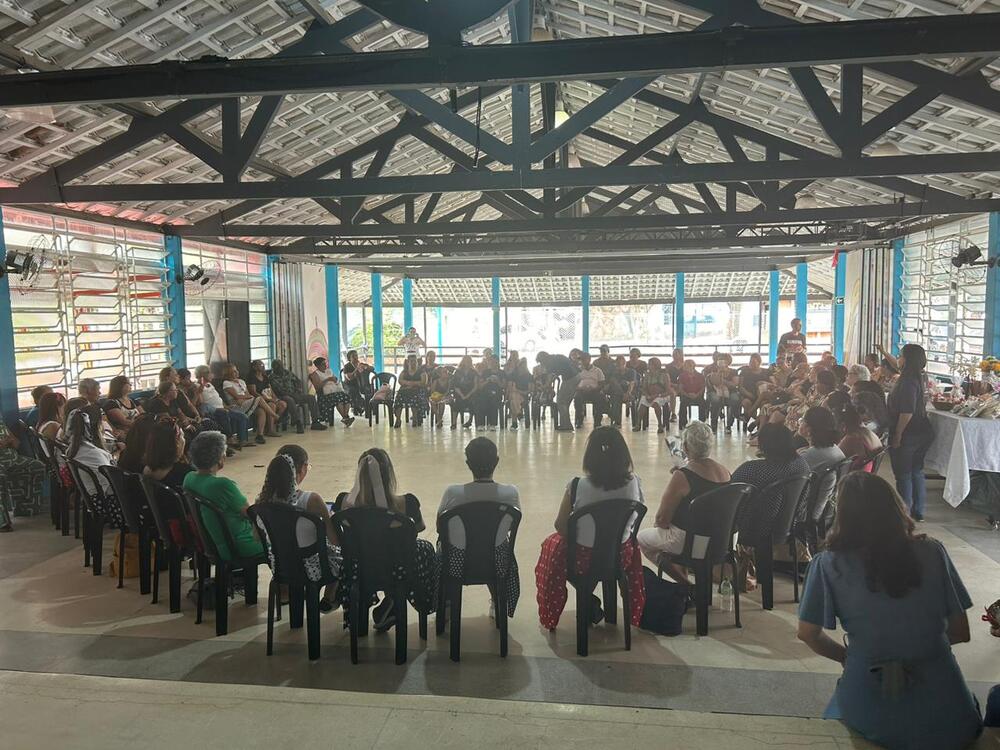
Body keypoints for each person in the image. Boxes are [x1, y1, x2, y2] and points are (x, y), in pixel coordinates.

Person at [797, 472, 981, 750]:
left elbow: (808, 633)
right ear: (895, 507)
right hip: (947, 709)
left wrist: (850, 657)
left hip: (870, 692)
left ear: (842, 516)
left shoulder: (828, 565)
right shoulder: (933, 552)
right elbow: (960, 631)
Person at [536, 426, 645, 629]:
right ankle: (595, 604)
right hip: (620, 556)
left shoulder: (577, 486)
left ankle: (581, 601)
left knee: (553, 544)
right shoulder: (635, 483)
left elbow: (560, 525)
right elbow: (636, 515)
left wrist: (581, 535)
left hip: (583, 559)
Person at [341, 448, 438, 628]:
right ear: (388, 475)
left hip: (359, 567)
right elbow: (418, 529)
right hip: (398, 567)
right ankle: (412, 600)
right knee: (424, 548)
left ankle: (378, 608)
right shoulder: (407, 503)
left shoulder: (344, 502)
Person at [637, 421, 731, 582]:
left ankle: (684, 584)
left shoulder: (683, 476)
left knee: (642, 538)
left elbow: (662, 519)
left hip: (691, 542)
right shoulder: (725, 472)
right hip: (720, 540)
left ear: (686, 447)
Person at [437, 437, 521, 616]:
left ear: (468, 464)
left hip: (457, 564)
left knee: (442, 543)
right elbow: (510, 527)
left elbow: (440, 527)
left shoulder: (453, 493)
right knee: (498, 542)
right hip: (496, 563)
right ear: (496, 462)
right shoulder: (510, 494)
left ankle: (447, 603)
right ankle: (498, 601)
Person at [256, 445, 340, 611]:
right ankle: (330, 597)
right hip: (312, 570)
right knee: (340, 555)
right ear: (302, 468)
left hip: (281, 567)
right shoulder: (311, 500)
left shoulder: (262, 503)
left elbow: (257, 537)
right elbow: (334, 539)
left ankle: (286, 592)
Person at [183, 431, 264, 561]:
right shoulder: (222, 485)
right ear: (220, 458)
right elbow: (250, 514)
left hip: (211, 544)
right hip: (238, 545)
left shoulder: (189, 478)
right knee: (280, 540)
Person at [731, 424, 810, 544]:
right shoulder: (802, 464)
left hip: (755, 529)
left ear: (763, 445)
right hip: (789, 525)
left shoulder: (752, 469)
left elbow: (730, 490)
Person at [888, 343, 934, 522]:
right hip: (922, 430)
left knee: (904, 474)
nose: (898, 359)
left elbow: (907, 411)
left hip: (909, 433)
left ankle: (904, 512)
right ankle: (918, 510)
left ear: (907, 360)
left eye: (900, 356)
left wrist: (898, 434)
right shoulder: (920, 376)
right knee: (916, 471)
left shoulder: (908, 381)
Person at [0, 415, 46, 530]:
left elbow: (16, 443)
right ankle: (2, 522)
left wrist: (10, 441)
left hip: (13, 459)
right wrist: (3, 443)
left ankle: (26, 508)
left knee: (37, 466)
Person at [194, 365, 251, 450]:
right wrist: (200, 390)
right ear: (203, 374)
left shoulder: (210, 384)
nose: (212, 375)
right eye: (210, 373)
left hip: (223, 408)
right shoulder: (197, 386)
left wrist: (226, 406)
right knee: (225, 415)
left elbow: (218, 398)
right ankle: (230, 439)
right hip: (214, 411)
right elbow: (201, 403)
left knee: (242, 417)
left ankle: (242, 440)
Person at [64, 404, 114, 496]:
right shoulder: (93, 454)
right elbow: (110, 487)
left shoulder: (75, 448)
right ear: (97, 426)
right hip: (105, 500)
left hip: (91, 497)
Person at [223, 363, 278, 444]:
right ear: (229, 373)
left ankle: (259, 435)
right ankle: (274, 415)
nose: (237, 372)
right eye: (234, 371)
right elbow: (237, 396)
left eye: (236, 370)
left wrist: (245, 397)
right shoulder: (226, 383)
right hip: (236, 405)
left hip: (246, 402)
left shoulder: (241, 381)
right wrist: (245, 397)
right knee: (259, 398)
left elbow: (248, 394)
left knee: (261, 411)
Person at [143, 418, 194, 489]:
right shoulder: (185, 473)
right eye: (182, 436)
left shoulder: (146, 469)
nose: (184, 439)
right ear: (176, 443)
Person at [536, 351, 580, 432]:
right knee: (565, 403)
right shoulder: (557, 357)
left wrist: (545, 387)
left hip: (570, 379)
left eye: (541, 362)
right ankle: (566, 424)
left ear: (543, 359)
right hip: (577, 376)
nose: (541, 364)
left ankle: (566, 426)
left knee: (561, 402)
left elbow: (550, 378)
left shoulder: (550, 363)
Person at [308, 357, 354, 428]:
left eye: (325, 364)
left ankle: (345, 417)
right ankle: (345, 418)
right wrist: (328, 379)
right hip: (325, 394)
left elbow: (335, 380)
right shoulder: (315, 374)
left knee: (346, 397)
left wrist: (334, 379)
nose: (325, 366)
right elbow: (318, 387)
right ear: (318, 366)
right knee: (338, 399)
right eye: (323, 364)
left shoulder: (329, 371)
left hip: (334, 390)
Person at [837, 403, 883, 472]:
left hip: (857, 475)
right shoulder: (867, 431)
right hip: (867, 472)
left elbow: (836, 457)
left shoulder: (852, 438)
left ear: (843, 424)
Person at [798, 406, 846, 470]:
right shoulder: (834, 447)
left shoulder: (809, 455)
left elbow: (787, 473)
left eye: (802, 420)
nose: (799, 423)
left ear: (809, 429)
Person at [246, 360, 288, 428]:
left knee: (283, 404)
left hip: (268, 397)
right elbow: (253, 392)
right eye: (261, 365)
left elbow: (270, 389)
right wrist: (268, 399)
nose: (263, 366)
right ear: (254, 367)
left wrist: (275, 398)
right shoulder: (251, 378)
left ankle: (273, 422)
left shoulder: (265, 377)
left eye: (263, 365)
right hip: (260, 400)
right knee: (272, 405)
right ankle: (271, 428)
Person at [705, 353, 740, 433]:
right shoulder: (712, 370)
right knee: (715, 399)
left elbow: (734, 385)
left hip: (730, 391)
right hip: (714, 391)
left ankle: (729, 425)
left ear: (728, 362)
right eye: (719, 360)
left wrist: (723, 380)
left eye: (724, 360)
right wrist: (718, 374)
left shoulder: (733, 371)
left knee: (734, 399)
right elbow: (711, 383)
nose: (721, 362)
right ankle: (714, 425)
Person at [637, 356, 671, 433]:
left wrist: (657, 395)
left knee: (656, 403)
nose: (648, 366)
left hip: (662, 395)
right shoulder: (647, 375)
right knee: (642, 402)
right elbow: (644, 388)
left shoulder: (664, 375)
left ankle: (660, 424)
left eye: (650, 364)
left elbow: (668, 391)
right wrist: (647, 395)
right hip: (650, 394)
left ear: (655, 365)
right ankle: (638, 423)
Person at [573, 352, 606, 428]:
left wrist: (594, 388)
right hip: (582, 391)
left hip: (594, 391)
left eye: (584, 359)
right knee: (577, 398)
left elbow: (602, 383)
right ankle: (579, 420)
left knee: (600, 398)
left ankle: (597, 421)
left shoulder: (597, 370)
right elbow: (574, 384)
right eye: (581, 360)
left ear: (589, 359)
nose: (582, 361)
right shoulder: (578, 371)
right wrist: (580, 388)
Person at [394, 355, 427, 428]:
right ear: (408, 362)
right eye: (411, 361)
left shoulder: (421, 371)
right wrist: (410, 383)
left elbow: (423, 382)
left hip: (417, 391)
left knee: (414, 398)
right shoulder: (405, 371)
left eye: (415, 361)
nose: (413, 363)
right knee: (399, 397)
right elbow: (400, 380)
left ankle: (415, 418)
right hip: (405, 390)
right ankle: (398, 419)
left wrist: (411, 384)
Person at [474, 353, 503, 430]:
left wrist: (497, 381)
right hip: (485, 393)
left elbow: (503, 386)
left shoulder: (501, 373)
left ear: (498, 362)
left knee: (493, 400)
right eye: (491, 361)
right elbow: (480, 386)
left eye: (495, 362)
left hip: (496, 394)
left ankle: (492, 424)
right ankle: (481, 424)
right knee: (480, 401)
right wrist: (487, 380)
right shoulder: (485, 372)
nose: (493, 363)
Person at [738, 353, 769, 424]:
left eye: (754, 362)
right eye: (750, 361)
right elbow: (740, 387)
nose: (751, 364)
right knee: (746, 402)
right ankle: (757, 421)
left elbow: (771, 384)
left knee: (764, 404)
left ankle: (749, 417)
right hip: (748, 395)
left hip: (761, 396)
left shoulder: (766, 372)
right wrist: (749, 394)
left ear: (759, 362)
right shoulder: (745, 372)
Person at [341, 350, 374, 415]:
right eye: (353, 356)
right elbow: (349, 378)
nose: (356, 357)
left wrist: (366, 367)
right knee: (353, 390)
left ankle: (366, 407)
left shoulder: (361, 364)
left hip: (359, 384)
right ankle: (356, 407)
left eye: (356, 355)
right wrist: (356, 369)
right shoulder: (347, 366)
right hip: (349, 384)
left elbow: (372, 368)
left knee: (370, 389)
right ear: (349, 358)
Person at [450, 355, 478, 430]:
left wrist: (468, 395)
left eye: (469, 361)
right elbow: (455, 386)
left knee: (473, 402)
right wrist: (462, 395)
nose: (467, 363)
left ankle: (470, 421)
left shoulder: (474, 372)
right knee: (456, 403)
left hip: (470, 393)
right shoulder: (457, 372)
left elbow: (475, 386)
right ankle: (454, 423)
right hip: (460, 392)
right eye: (465, 361)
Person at [678, 359, 707, 430]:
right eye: (686, 366)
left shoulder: (700, 376)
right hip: (686, 395)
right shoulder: (682, 376)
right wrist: (687, 394)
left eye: (690, 366)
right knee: (683, 403)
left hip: (697, 395)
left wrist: (696, 395)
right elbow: (681, 389)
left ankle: (702, 423)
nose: (688, 367)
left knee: (702, 403)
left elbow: (702, 388)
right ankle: (683, 424)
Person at [508, 358, 532, 430]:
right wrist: (514, 391)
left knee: (513, 401)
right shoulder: (514, 375)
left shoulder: (529, 376)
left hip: (524, 395)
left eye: (523, 366)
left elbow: (530, 390)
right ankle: (519, 413)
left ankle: (514, 424)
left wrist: (518, 391)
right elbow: (510, 387)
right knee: (513, 399)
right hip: (514, 395)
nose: (522, 367)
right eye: (520, 366)